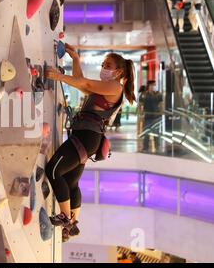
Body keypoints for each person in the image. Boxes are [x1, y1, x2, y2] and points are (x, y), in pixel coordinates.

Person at [44, 44, 136, 241]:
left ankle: (66, 218)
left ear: (119, 71)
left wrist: (59, 76)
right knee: (71, 182)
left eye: (108, 65)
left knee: (53, 170)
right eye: (103, 64)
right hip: (87, 138)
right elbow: (81, 84)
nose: (104, 67)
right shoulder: (108, 88)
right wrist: (76, 60)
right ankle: (73, 224)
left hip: (87, 138)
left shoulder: (115, 86)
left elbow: (85, 84)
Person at [142, 81, 163, 153]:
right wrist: (140, 115)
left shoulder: (158, 94)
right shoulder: (144, 94)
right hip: (147, 117)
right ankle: (145, 147)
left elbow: (161, 104)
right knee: (146, 133)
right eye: (152, 85)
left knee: (156, 133)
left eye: (154, 85)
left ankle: (157, 147)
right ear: (149, 86)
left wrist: (161, 113)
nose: (153, 86)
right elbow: (141, 105)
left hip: (156, 117)